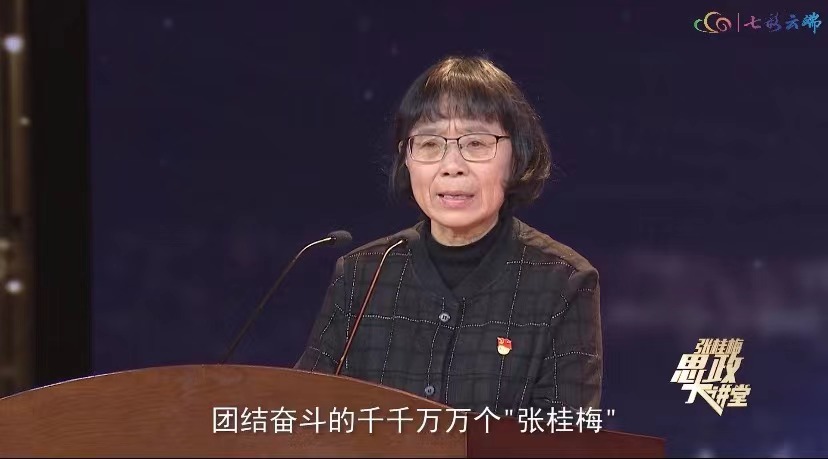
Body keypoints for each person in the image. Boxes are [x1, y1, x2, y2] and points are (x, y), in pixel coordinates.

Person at [295, 55, 602, 415]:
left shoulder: (563, 282)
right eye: (429, 144)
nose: (452, 166)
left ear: (517, 156)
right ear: (406, 159)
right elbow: (304, 416)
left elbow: (567, 435)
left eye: (476, 143)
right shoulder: (361, 275)